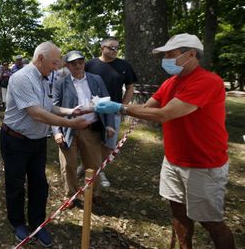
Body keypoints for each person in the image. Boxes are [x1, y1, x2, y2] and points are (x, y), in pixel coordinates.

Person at [94, 33, 235, 249]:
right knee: (178, 213)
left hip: (203, 164)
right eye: (165, 54)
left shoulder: (207, 81)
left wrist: (120, 107)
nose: (166, 59)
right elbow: (148, 108)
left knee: (211, 222)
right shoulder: (170, 82)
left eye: (171, 54)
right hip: (173, 160)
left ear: (191, 54)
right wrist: (112, 107)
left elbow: (164, 114)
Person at [1, 41, 93, 247]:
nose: (56, 66)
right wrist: (70, 123)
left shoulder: (44, 78)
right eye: (54, 62)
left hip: (37, 141)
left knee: (39, 183)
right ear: (40, 58)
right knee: (16, 183)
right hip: (16, 140)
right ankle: (17, 223)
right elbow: (36, 113)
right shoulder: (21, 78)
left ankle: (37, 224)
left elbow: (48, 106)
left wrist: (71, 111)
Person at [52, 51, 114, 208]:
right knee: (68, 165)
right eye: (74, 63)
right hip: (68, 130)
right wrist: (57, 131)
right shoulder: (61, 83)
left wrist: (110, 124)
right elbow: (53, 108)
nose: (78, 65)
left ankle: (95, 193)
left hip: (91, 129)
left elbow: (107, 102)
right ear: (67, 66)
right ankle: (70, 195)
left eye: (81, 62)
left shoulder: (96, 80)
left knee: (93, 164)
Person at [83, 37, 138, 187]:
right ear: (102, 48)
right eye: (111, 47)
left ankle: (100, 170)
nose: (115, 51)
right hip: (92, 110)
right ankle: (87, 165)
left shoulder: (124, 65)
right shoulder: (90, 64)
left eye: (117, 48)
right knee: (89, 139)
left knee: (109, 143)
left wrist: (122, 106)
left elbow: (130, 87)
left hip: (113, 111)